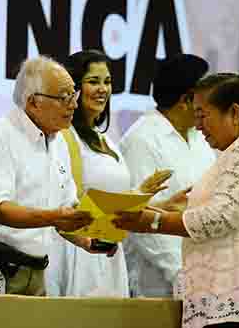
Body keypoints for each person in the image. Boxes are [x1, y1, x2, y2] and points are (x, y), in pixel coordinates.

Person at [115, 73, 239, 328]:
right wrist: (164, 208)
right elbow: (228, 211)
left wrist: (153, 220)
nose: (198, 125)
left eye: (203, 115)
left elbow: (218, 219)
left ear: (235, 113)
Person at [0, 56, 105, 296]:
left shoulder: (58, 142)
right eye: (65, 97)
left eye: (74, 96)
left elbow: (64, 210)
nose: (74, 105)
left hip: (36, 272)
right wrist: (55, 217)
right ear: (34, 102)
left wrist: (86, 239)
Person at [49, 49, 169, 297]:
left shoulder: (108, 141)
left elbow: (112, 200)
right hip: (78, 251)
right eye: (93, 81)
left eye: (107, 82)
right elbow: (66, 200)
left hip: (110, 251)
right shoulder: (64, 136)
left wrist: (149, 199)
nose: (102, 89)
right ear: (73, 87)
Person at [119, 53, 216, 297]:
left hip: (206, 274)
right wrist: (180, 274)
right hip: (158, 284)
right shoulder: (142, 139)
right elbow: (140, 218)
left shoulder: (202, 139)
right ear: (186, 100)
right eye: (207, 96)